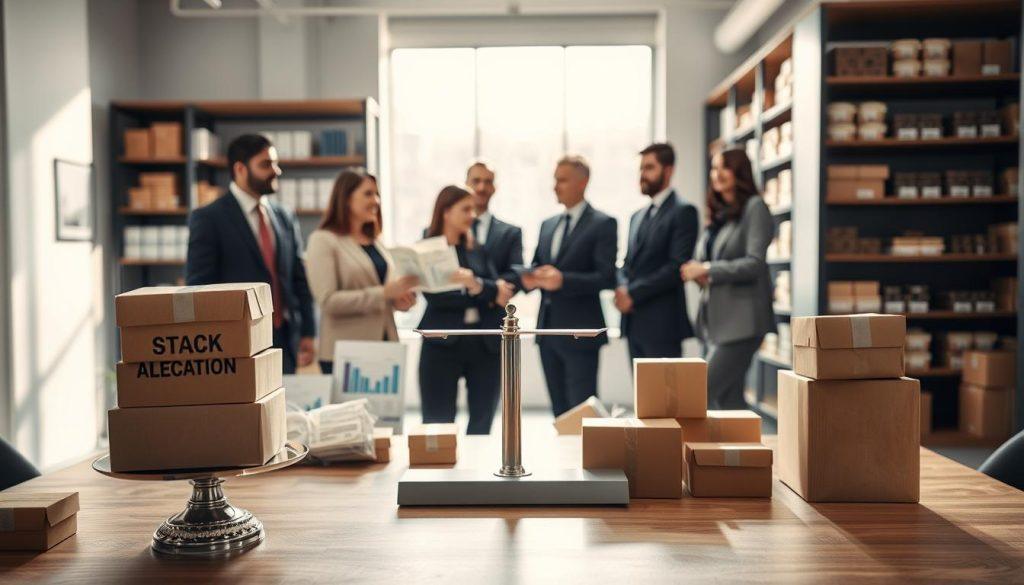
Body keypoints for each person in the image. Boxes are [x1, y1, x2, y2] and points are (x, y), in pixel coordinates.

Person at [186, 134, 315, 374]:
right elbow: (199, 287)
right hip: (235, 342)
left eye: (275, 163)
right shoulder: (208, 218)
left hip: (285, 338)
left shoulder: (284, 216)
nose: (276, 171)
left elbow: (298, 278)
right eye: (266, 164)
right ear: (240, 169)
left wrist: (308, 330)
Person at [521, 156, 617, 417]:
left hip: (581, 333)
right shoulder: (547, 225)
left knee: (582, 414)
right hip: (548, 332)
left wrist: (563, 280)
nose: (555, 186)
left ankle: (585, 459)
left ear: (583, 182)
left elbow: (607, 277)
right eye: (555, 179)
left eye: (562, 180)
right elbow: (538, 266)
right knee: (558, 412)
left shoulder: (603, 223)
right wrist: (530, 278)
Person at [680, 148, 775, 410]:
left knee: (699, 393)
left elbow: (755, 263)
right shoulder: (720, 214)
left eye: (724, 167)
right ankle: (739, 452)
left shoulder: (755, 207)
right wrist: (699, 273)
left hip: (742, 323)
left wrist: (708, 269)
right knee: (728, 400)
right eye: (713, 168)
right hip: (716, 323)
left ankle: (707, 452)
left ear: (739, 171)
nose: (717, 174)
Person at [417, 185, 515, 435]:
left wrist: (473, 283)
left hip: (484, 345)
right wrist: (482, 291)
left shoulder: (477, 248)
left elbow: (502, 294)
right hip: (440, 344)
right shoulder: (426, 248)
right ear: (446, 212)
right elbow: (436, 297)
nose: (473, 215)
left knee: (482, 424)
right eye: (466, 209)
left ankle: (474, 473)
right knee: (437, 424)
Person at [305, 171, 419, 374]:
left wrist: (398, 301)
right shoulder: (322, 240)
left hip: (386, 347)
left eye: (377, 194)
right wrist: (385, 293)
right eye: (368, 194)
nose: (376, 200)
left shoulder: (376, 243)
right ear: (346, 198)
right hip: (346, 355)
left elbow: (383, 294)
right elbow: (328, 302)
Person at [615, 143, 698, 361]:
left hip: (663, 325)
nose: (642, 174)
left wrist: (632, 293)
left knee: (663, 395)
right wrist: (622, 287)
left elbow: (676, 268)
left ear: (668, 170)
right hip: (633, 323)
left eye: (649, 168)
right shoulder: (637, 216)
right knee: (639, 394)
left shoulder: (683, 212)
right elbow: (627, 263)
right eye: (641, 168)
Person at [466, 161, 524, 287]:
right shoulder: (448, 228)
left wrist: (482, 288)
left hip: (493, 305)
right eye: (476, 181)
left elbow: (516, 276)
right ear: (466, 185)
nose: (481, 188)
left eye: (488, 182)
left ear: (494, 188)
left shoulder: (511, 233)